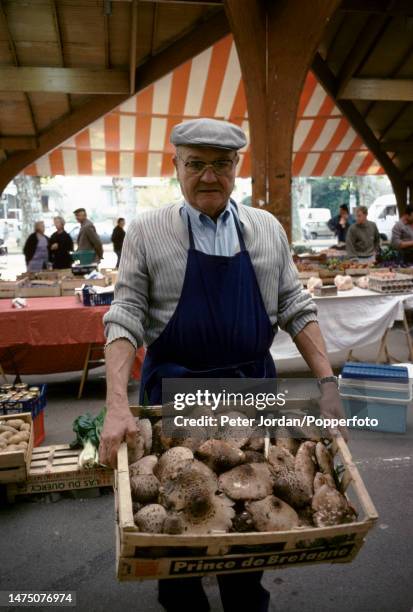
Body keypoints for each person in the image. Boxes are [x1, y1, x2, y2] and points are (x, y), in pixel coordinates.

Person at [100, 118, 347, 612]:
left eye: (220, 164)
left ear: (237, 167)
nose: (208, 175)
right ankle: (181, 597)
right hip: (175, 391)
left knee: (251, 521)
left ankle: (245, 597)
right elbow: (125, 314)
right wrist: (114, 405)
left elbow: (297, 307)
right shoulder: (147, 232)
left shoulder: (266, 230)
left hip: (250, 387)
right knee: (173, 523)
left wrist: (327, 382)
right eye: (195, 164)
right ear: (176, 167)